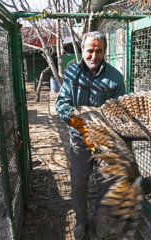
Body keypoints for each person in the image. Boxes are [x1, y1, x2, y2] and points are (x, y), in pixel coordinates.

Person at [55, 31, 125, 239]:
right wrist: (79, 124)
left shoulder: (115, 78)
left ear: (104, 52)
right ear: (83, 50)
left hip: (104, 139)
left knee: (105, 183)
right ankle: (80, 221)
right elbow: (61, 104)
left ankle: (101, 221)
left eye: (99, 51)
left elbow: (120, 110)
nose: (93, 55)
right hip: (79, 138)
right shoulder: (71, 73)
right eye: (90, 50)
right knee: (78, 182)